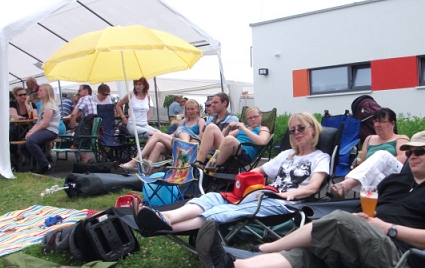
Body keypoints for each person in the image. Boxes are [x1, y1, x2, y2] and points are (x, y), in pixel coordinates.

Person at [195, 130, 425, 268]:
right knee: (307, 254)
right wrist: (370, 219)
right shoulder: (396, 181)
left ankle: (263, 248)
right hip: (365, 239)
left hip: (398, 255)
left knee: (338, 221)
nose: (413, 156)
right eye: (409, 152)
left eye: (420, 151)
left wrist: (388, 228)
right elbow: (374, 211)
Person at [134, 112, 330, 233]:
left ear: (313, 130)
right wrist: (245, 181)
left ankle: (164, 226)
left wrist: (290, 194)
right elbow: (259, 170)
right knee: (212, 198)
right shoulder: (287, 155)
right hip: (262, 194)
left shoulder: (320, 158)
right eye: (292, 130)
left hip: (283, 203)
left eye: (301, 128)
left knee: (226, 211)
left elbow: (313, 187)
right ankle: (164, 216)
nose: (296, 133)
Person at [331, 108, 409, 198]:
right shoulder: (369, 139)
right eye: (375, 121)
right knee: (374, 175)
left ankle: (346, 184)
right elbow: (362, 162)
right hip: (382, 182)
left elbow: (403, 159)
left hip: (396, 175)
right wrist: (372, 168)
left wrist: (378, 164)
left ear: (392, 124)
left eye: (382, 122)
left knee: (382, 155)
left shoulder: (401, 138)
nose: (377, 125)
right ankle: (381, 202)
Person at [120, 98, 206, 172]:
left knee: (157, 135)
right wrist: (164, 137)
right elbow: (174, 134)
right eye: (188, 109)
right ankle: (147, 172)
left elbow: (201, 137)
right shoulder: (184, 121)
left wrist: (189, 139)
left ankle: (136, 160)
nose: (190, 111)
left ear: (197, 109)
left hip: (189, 147)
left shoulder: (200, 120)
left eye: (192, 109)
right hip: (177, 144)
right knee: (158, 145)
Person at [195, 106, 270, 171]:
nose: (253, 119)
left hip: (243, 154)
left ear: (261, 116)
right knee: (211, 127)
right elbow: (223, 137)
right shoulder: (244, 127)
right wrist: (228, 128)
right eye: (250, 118)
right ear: (247, 120)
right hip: (228, 149)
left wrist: (244, 129)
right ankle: (200, 163)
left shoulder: (263, 129)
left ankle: (213, 167)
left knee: (230, 139)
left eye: (255, 116)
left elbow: (262, 141)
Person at [18, 84, 60, 174]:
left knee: (31, 141)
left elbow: (45, 124)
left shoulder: (50, 106)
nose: (38, 92)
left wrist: (31, 133)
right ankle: (36, 163)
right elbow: (38, 122)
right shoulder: (43, 105)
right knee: (22, 146)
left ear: (47, 92)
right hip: (44, 130)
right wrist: (30, 131)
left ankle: (44, 165)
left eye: (41, 90)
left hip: (51, 130)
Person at [192, 92, 239, 166]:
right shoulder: (211, 118)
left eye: (215, 102)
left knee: (211, 127)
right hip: (209, 150)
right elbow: (202, 136)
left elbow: (227, 139)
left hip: (224, 150)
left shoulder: (232, 119)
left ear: (224, 103)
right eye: (212, 103)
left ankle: (199, 163)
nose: (213, 105)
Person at [68, 84, 98, 164]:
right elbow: (78, 115)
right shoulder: (93, 99)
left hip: (86, 128)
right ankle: (85, 158)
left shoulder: (84, 98)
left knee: (72, 137)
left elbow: (74, 114)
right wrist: (75, 102)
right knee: (76, 136)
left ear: (86, 91)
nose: (78, 93)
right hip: (93, 129)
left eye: (79, 90)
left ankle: (85, 157)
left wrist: (72, 127)